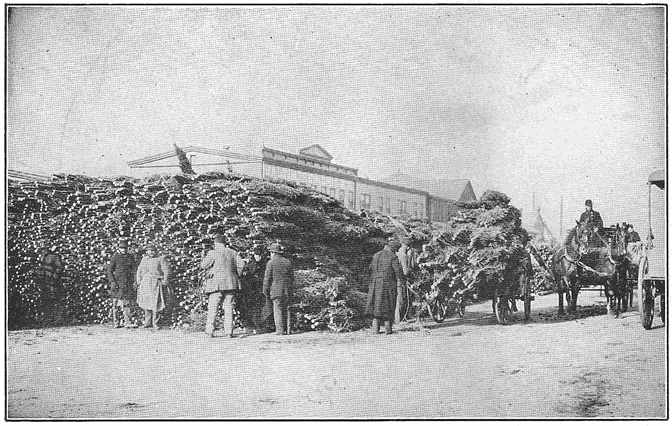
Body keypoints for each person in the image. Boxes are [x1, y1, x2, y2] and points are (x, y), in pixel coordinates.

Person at [201, 234, 243, 338]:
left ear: (216, 243)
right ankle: (229, 332)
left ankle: (210, 331)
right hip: (231, 284)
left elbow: (203, 265)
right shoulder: (233, 252)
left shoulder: (213, 253)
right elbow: (241, 265)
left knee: (213, 307)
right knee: (228, 308)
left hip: (216, 284)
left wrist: (211, 269)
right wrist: (236, 275)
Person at [366, 238, 404, 334]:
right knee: (389, 305)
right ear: (394, 249)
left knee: (376, 305)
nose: (397, 251)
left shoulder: (376, 255)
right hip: (388, 284)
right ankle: (388, 329)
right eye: (396, 250)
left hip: (374, 284)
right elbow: (398, 272)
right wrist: (402, 280)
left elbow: (370, 269)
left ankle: (375, 330)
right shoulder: (393, 257)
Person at [136, 244, 171, 330]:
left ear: (156, 251)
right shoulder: (144, 259)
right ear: (146, 251)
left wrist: (165, 281)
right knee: (146, 302)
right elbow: (139, 270)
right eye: (149, 250)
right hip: (145, 283)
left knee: (156, 303)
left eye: (152, 250)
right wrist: (139, 280)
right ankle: (147, 323)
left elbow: (166, 270)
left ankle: (156, 323)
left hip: (155, 283)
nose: (151, 252)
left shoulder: (160, 259)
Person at [263, 242, 294, 335]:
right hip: (287, 289)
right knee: (287, 309)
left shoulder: (271, 262)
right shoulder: (288, 262)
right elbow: (292, 277)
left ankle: (280, 330)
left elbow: (267, 278)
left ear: (273, 253)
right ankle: (288, 329)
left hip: (276, 290)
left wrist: (265, 290)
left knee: (278, 309)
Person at [107, 239, 137, 328]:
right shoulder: (115, 257)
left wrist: (134, 280)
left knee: (126, 304)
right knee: (116, 304)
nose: (123, 249)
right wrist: (112, 281)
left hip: (127, 283)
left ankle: (127, 321)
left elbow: (134, 269)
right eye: (122, 248)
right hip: (117, 284)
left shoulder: (130, 257)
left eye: (125, 248)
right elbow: (109, 271)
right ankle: (116, 322)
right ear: (118, 248)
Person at [239, 245, 268, 334]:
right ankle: (250, 326)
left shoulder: (265, 263)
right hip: (250, 290)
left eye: (259, 255)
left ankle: (258, 326)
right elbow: (244, 277)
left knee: (259, 309)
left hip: (260, 290)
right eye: (256, 255)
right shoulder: (249, 264)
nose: (258, 257)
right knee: (250, 309)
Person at [37, 245, 65, 327]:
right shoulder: (43, 257)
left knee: (53, 299)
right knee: (46, 299)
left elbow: (59, 268)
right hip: (44, 281)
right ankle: (47, 319)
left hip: (52, 281)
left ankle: (55, 320)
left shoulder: (54, 257)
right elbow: (42, 268)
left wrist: (54, 277)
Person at [395, 236, 418, 323]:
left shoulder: (397, 253)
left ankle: (399, 319)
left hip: (396, 279)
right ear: (408, 247)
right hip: (401, 280)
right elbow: (405, 271)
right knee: (400, 299)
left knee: (399, 299)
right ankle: (399, 320)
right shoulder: (404, 255)